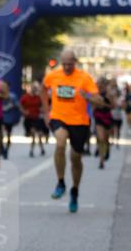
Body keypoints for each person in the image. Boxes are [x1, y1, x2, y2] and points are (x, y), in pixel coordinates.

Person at [42, 50, 102, 213]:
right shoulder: (53, 76)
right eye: (65, 64)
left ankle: (74, 190)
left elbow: (99, 100)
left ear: (75, 62)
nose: (67, 67)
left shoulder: (84, 78)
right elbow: (43, 88)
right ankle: (60, 182)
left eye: (70, 64)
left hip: (79, 122)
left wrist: (88, 97)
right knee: (60, 143)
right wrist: (46, 111)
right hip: (58, 117)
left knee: (75, 158)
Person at [91, 76, 113, 170]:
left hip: (107, 117)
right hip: (98, 116)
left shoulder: (109, 93)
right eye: (98, 83)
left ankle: (107, 149)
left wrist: (105, 103)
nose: (100, 85)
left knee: (106, 139)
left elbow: (113, 106)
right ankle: (101, 161)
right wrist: (96, 104)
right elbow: (93, 106)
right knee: (101, 138)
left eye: (102, 84)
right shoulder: (95, 93)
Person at [20, 82, 46, 157]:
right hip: (29, 119)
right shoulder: (25, 97)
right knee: (33, 134)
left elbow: (43, 106)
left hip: (37, 118)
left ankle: (42, 148)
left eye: (35, 88)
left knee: (40, 135)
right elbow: (20, 105)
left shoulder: (38, 97)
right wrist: (24, 112)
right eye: (33, 88)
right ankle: (31, 150)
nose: (34, 90)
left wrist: (43, 111)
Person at [1, 89, 21, 159]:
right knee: (0, 134)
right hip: (1, 118)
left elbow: (17, 105)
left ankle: (6, 149)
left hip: (9, 119)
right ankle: (2, 148)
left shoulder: (12, 96)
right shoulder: (0, 95)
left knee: (9, 136)